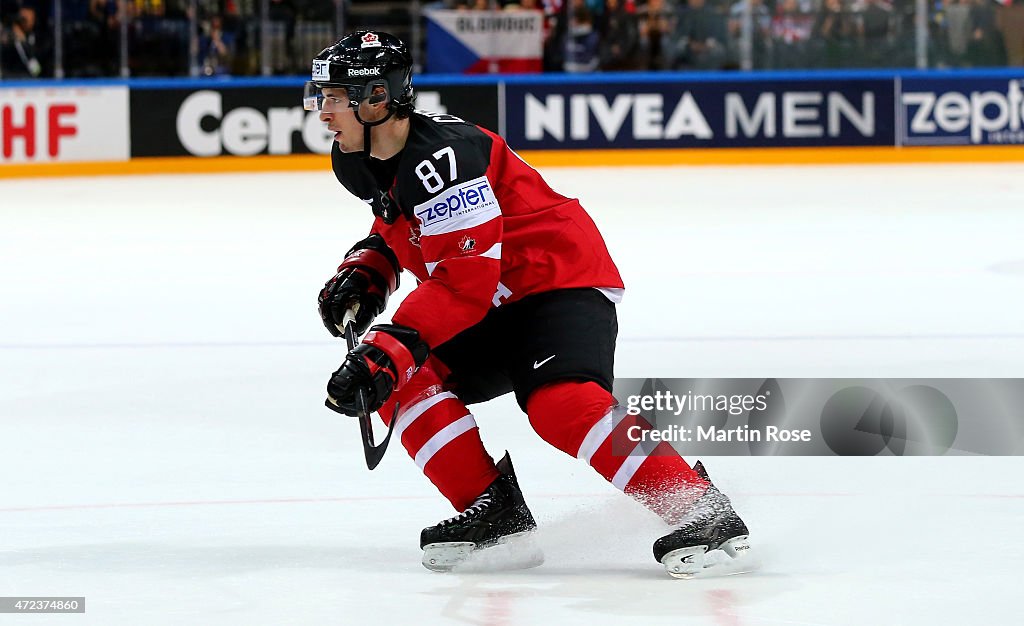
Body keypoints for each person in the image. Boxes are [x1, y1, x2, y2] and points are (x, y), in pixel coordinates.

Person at [304, 30, 752, 577]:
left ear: (375, 99)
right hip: (491, 298)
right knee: (402, 378)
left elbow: (464, 285)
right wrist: (373, 265)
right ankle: (494, 515)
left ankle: (697, 507)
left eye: (332, 97)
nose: (321, 111)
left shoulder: (445, 158)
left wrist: (389, 345)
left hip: (553, 281)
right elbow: (404, 222)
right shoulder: (358, 157)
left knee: (559, 403)